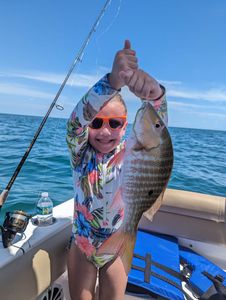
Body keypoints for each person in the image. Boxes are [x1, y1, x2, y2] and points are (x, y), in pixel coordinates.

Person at [66, 40, 167, 300]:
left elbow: (157, 135)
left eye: (115, 123)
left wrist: (156, 97)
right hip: (82, 247)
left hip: (118, 246)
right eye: (96, 122)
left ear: (125, 128)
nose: (105, 130)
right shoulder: (80, 154)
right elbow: (75, 124)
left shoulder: (131, 152)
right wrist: (111, 82)